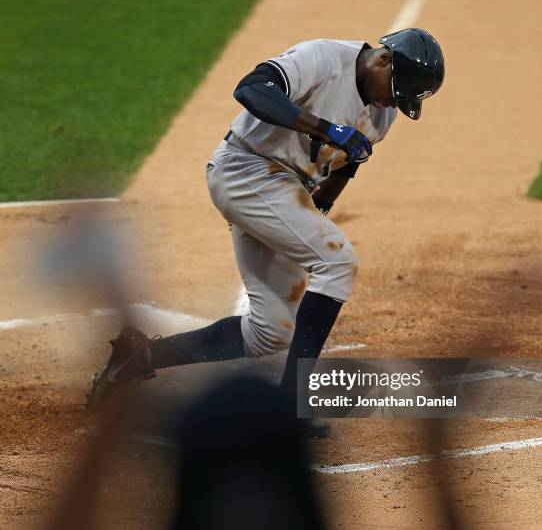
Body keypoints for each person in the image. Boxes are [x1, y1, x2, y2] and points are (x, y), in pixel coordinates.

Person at [88, 28, 445, 436]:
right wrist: (325, 128)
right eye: (393, 91)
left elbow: (348, 161)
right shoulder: (323, 59)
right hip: (245, 170)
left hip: (286, 190)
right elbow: (252, 90)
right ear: (383, 61)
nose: (390, 102)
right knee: (338, 261)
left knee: (270, 331)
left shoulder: (385, 112)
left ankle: (141, 357)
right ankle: (295, 402)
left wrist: (318, 210)